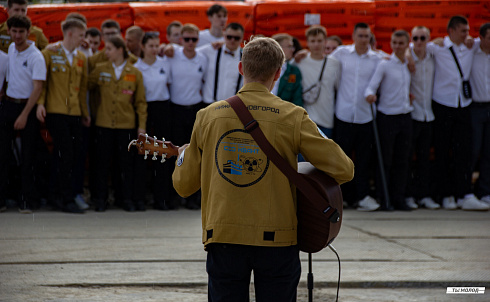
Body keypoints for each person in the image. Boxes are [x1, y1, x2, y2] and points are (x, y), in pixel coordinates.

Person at [172, 36, 354, 301]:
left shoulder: (208, 115)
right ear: (278, 73)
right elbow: (344, 169)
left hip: (224, 235)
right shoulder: (293, 115)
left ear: (241, 68)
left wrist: (182, 156)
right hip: (277, 239)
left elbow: (184, 186)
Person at [427, 15, 488, 210]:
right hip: (443, 104)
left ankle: (464, 193)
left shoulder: (471, 47)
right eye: (463, 31)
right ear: (451, 31)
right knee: (443, 151)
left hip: (464, 105)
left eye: (468, 31)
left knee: (464, 151)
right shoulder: (436, 47)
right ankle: (445, 194)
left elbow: (484, 40)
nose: (467, 35)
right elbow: (414, 50)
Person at [87, 36, 147, 212]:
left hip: (125, 125)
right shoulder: (100, 69)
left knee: (125, 165)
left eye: (110, 49)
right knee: (102, 163)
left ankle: (125, 198)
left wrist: (141, 126)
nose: (106, 53)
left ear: (120, 50)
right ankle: (100, 199)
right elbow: (86, 86)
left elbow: (141, 102)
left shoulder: (135, 73)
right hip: (104, 124)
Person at [36, 18, 89, 214]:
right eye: (81, 35)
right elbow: (43, 81)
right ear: (69, 34)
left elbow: (82, 88)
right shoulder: (50, 53)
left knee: (72, 155)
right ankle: (64, 197)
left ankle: (58, 194)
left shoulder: (81, 57)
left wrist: (84, 112)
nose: (83, 39)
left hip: (74, 112)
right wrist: (40, 103)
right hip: (56, 110)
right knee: (65, 153)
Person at [330, 22, 383, 211]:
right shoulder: (341, 53)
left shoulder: (377, 59)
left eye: (366, 36)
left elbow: (394, 60)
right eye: (360, 36)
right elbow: (322, 60)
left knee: (363, 160)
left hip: (365, 117)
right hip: (344, 115)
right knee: (341, 159)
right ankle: (342, 197)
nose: (363, 40)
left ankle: (362, 196)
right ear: (353, 36)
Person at [0, 15, 46, 213]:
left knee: (28, 156)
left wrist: (24, 115)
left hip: (27, 107)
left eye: (21, 32)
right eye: (14, 31)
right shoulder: (10, 49)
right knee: (2, 154)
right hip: (9, 104)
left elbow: (37, 88)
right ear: (8, 31)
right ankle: (2, 198)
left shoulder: (36, 56)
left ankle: (27, 199)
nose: (17, 35)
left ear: (29, 33)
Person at [365, 30, 413, 211]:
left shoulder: (408, 63)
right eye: (395, 43)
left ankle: (399, 197)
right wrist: (369, 94)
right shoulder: (384, 64)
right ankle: (384, 198)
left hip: (405, 116)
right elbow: (371, 86)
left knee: (403, 160)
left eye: (401, 43)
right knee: (385, 160)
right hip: (387, 117)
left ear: (407, 44)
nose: (398, 46)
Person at [167, 23, 207, 209]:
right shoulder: (172, 54)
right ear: (180, 39)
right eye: (187, 39)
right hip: (175, 109)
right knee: (173, 152)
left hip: (195, 110)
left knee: (195, 154)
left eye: (194, 39)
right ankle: (173, 196)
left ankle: (193, 198)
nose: (190, 43)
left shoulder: (202, 58)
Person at [134, 32, 173, 210]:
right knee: (141, 155)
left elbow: (169, 85)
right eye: (151, 46)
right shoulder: (137, 67)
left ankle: (161, 198)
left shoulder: (165, 64)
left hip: (163, 110)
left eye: (157, 45)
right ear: (143, 47)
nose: (154, 49)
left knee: (161, 153)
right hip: (144, 110)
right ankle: (139, 198)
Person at [404, 26, 440, 210]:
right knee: (409, 158)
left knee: (425, 158)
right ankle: (409, 195)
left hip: (429, 114)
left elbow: (444, 42)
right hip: (412, 113)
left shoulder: (434, 57)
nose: (419, 42)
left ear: (428, 39)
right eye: (415, 38)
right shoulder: (406, 58)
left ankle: (424, 195)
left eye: (422, 38)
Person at [295, 25, 340, 138]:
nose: (316, 44)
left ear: (325, 42)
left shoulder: (334, 64)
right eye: (313, 41)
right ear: (307, 42)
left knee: (324, 155)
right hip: (305, 120)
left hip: (326, 119)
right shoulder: (300, 61)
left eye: (319, 41)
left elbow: (339, 88)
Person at [469, 23, 490, 208]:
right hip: (476, 107)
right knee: (473, 150)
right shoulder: (472, 48)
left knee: (488, 151)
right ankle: (467, 192)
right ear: (481, 38)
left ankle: (484, 191)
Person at [199, 22, 244, 105]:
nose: (232, 40)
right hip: (209, 105)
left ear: (242, 38)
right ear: (224, 35)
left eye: (236, 38)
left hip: (233, 107)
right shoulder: (211, 50)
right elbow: (188, 52)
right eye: (229, 37)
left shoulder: (245, 58)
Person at [271, 33, 303, 106]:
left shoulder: (294, 71)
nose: (293, 50)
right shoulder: (262, 68)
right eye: (289, 46)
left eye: (292, 46)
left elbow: (297, 99)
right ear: (278, 47)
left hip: (284, 115)